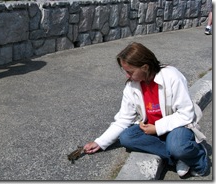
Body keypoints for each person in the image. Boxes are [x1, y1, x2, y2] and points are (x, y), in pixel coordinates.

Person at [84, 42, 208, 177]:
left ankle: (199, 161)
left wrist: (157, 128)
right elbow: (123, 119)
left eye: (130, 71)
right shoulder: (132, 86)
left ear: (145, 67)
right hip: (151, 127)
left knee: (179, 146)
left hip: (178, 126)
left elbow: (186, 114)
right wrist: (100, 142)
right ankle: (178, 157)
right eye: (125, 71)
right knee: (126, 137)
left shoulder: (172, 76)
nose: (127, 76)